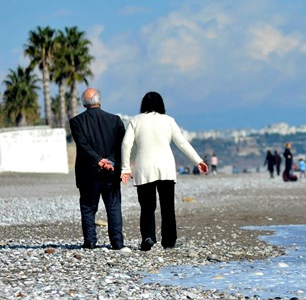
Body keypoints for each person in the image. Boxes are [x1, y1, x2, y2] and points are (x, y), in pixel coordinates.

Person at [120, 91, 208, 251]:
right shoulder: (169, 121)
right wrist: (198, 161)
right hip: (166, 167)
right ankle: (169, 241)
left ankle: (148, 237)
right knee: (167, 206)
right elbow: (182, 143)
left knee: (147, 206)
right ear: (161, 104)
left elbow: (126, 144)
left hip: (144, 167)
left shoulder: (136, 120)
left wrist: (125, 168)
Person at [69, 88, 126, 250]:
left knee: (88, 207)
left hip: (87, 172)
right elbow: (120, 146)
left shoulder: (76, 121)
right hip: (111, 171)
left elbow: (83, 145)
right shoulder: (115, 120)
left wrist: (99, 160)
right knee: (113, 207)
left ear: (83, 103)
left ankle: (90, 241)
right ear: (99, 100)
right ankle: (117, 242)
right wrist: (110, 161)